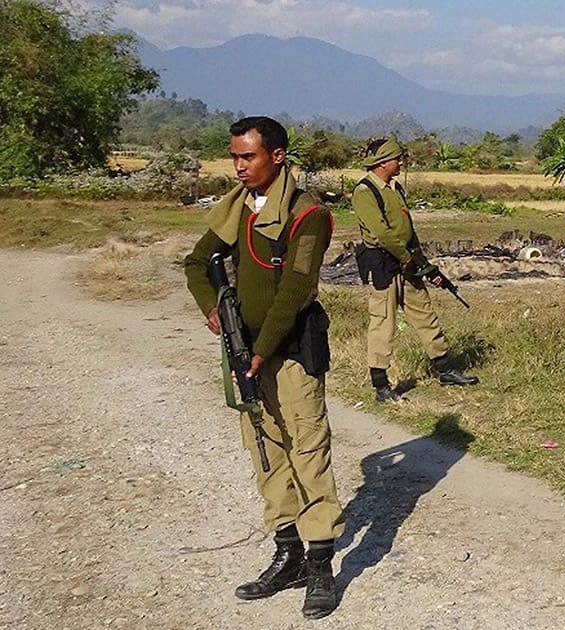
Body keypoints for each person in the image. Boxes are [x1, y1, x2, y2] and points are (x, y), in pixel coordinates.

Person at [184, 116, 344, 618]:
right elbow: (195, 264)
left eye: (247, 157)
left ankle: (321, 565)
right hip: (246, 348)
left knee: (307, 451)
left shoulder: (307, 215)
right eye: (234, 157)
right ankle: (288, 551)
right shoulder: (235, 209)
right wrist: (214, 311)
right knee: (265, 451)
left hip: (291, 350)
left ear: (276, 157)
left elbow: (296, 292)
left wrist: (262, 348)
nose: (238, 167)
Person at [351, 136, 479, 402]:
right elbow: (380, 232)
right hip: (384, 264)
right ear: (383, 163)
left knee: (424, 314)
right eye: (397, 159)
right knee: (383, 323)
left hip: (407, 262)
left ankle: (445, 369)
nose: (401, 163)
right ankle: (381, 385)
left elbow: (407, 230)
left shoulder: (394, 188)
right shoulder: (365, 192)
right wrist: (404, 256)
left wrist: (421, 261)